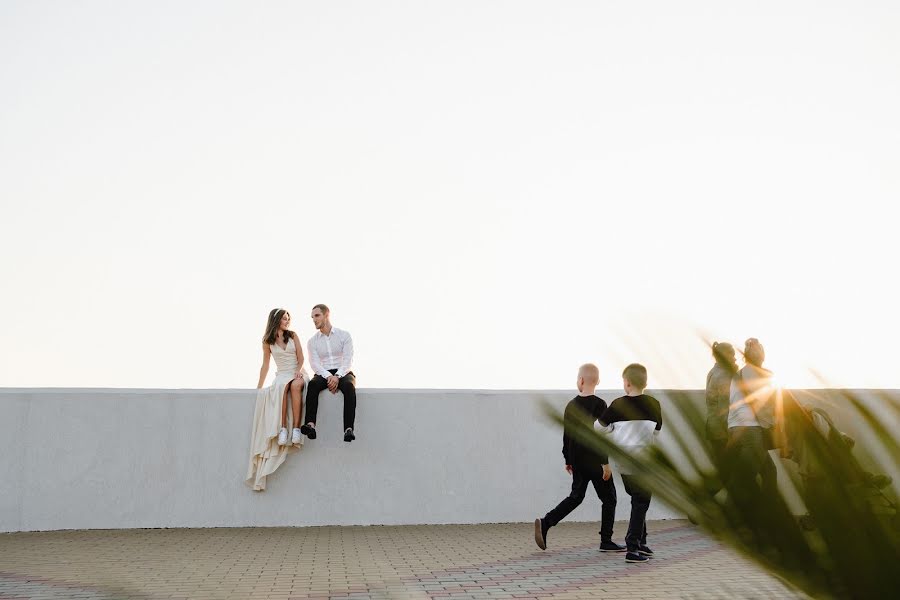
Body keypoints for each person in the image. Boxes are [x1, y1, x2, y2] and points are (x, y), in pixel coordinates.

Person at [534, 364, 623, 553]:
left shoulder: (571, 405)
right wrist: (605, 463)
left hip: (578, 461)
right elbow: (600, 436)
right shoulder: (600, 405)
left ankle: (546, 522)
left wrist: (568, 459)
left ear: (581, 380)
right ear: (597, 381)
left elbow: (567, 435)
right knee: (609, 499)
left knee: (575, 497)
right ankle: (606, 541)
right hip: (595, 462)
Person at [596, 363, 663, 564]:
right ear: (645, 382)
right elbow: (657, 431)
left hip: (623, 463)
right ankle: (632, 547)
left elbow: (598, 428)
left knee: (638, 500)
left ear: (626, 383)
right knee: (641, 502)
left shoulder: (617, 405)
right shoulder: (654, 404)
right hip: (644, 461)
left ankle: (640, 542)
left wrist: (613, 432)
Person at [245, 308, 308, 491]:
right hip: (281, 375)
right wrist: (259, 385)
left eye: (288, 318)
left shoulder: (293, 335)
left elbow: (301, 357)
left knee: (295, 385)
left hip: (297, 372)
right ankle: (281, 429)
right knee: (281, 388)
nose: (287, 321)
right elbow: (265, 365)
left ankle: (295, 429)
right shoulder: (267, 341)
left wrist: (299, 370)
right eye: (284, 318)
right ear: (276, 320)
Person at [725, 338, 777, 498]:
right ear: (761, 356)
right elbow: (765, 402)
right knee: (744, 477)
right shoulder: (758, 374)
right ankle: (724, 513)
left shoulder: (739, 374)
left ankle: (769, 511)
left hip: (735, 428)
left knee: (769, 472)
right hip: (751, 430)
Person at [301, 304, 357, 442]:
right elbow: (315, 364)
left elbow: (348, 360)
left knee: (349, 387)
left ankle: (348, 429)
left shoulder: (344, 335)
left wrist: (337, 376)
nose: (314, 319)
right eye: (312, 317)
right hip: (323, 372)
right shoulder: (312, 341)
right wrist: (329, 377)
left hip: (343, 372)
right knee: (312, 385)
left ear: (327, 315)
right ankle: (310, 425)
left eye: (317, 315)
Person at [706, 342, 738, 465]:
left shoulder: (714, 371)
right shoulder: (723, 376)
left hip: (714, 429)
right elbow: (724, 409)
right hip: (723, 432)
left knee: (724, 467)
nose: (735, 358)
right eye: (732, 355)